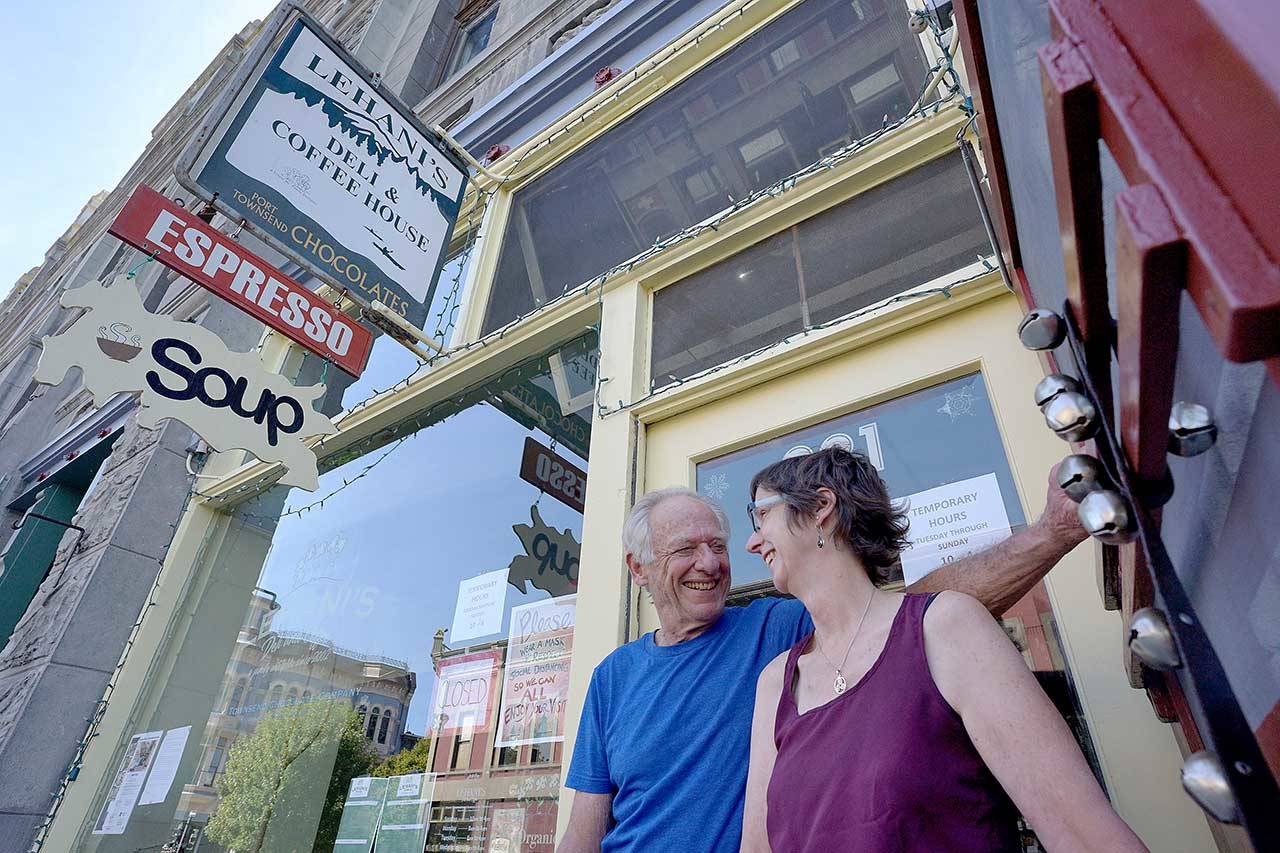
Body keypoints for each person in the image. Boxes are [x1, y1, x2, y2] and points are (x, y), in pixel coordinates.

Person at [559, 455, 1095, 853]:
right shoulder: (612, 678)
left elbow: (910, 618)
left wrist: (1051, 534)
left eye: (717, 546)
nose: (712, 563)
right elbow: (584, 833)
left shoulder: (777, 632)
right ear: (640, 569)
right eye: (685, 550)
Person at [740, 448, 1145, 852]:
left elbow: (1082, 833)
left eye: (761, 516)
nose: (752, 543)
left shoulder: (946, 627)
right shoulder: (775, 682)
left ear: (820, 508)